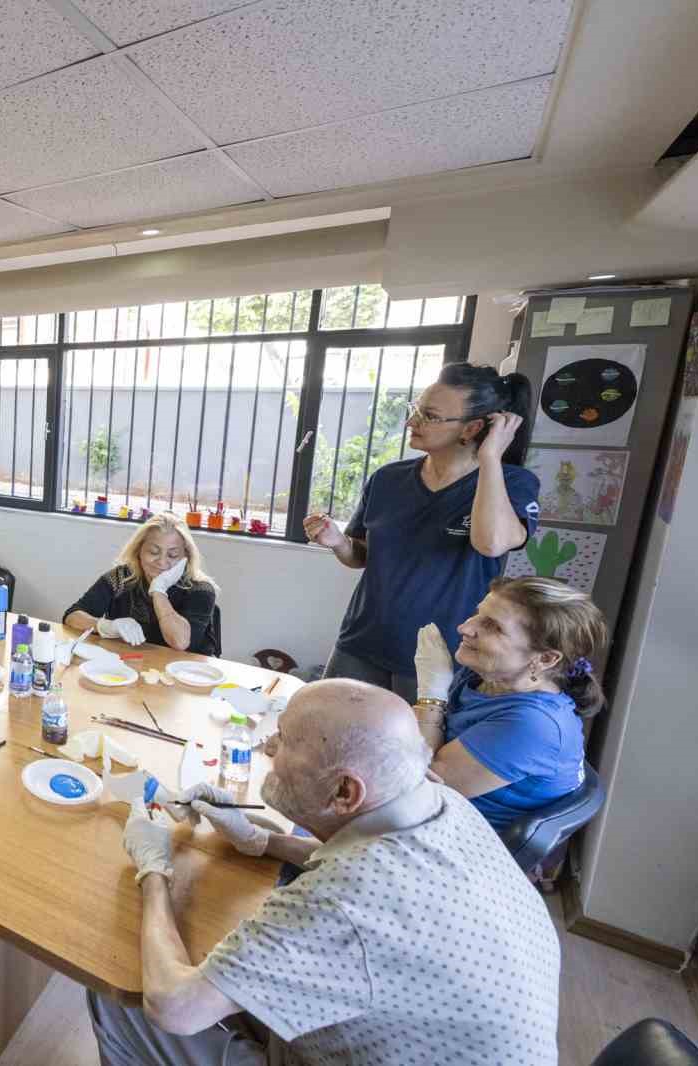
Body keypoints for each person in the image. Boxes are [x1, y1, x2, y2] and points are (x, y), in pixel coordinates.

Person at [91, 678, 560, 1065]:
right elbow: (362, 865)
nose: (268, 746)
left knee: (121, 993)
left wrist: (155, 872)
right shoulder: (443, 804)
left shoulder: (343, 902)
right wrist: (262, 840)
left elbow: (174, 1008)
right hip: (415, 1034)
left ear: (344, 792)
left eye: (284, 740)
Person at [307, 363, 539, 701]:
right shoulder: (388, 479)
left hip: (441, 657)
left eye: (429, 416)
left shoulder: (512, 483)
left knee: (419, 738)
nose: (411, 422)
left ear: (472, 428)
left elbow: (490, 544)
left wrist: (491, 457)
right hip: (362, 641)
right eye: (415, 410)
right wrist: (339, 543)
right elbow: (362, 556)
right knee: (326, 727)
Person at [411, 576, 607, 832]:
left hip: (457, 837)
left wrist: (431, 695)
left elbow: (419, 792)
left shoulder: (533, 724)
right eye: (478, 614)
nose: (465, 627)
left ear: (546, 659)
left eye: (493, 626)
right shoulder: (484, 675)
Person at [64, 512, 220, 655]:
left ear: (186, 557)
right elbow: (71, 616)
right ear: (139, 550)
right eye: (153, 552)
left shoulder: (200, 589)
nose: (162, 562)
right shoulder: (121, 578)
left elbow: (180, 643)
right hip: (130, 663)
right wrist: (105, 626)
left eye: (172, 555)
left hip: (185, 671)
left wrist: (158, 590)